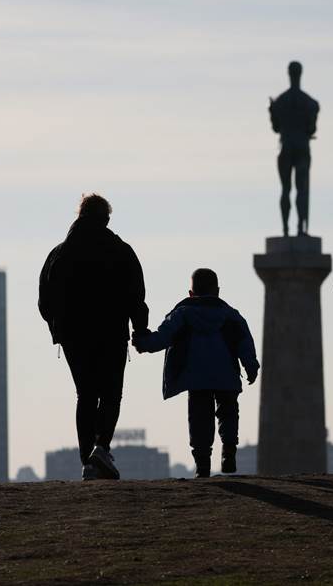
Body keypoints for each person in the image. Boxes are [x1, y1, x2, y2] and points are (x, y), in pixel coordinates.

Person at [38, 194, 149, 481]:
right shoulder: (120, 250)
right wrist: (140, 329)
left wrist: (57, 327)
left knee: (85, 395)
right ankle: (102, 447)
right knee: (111, 393)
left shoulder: (59, 254)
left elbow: (44, 300)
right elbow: (136, 295)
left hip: (74, 337)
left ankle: (87, 459)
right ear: (106, 218)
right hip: (111, 332)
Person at [132, 268, 259, 479]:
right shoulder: (231, 316)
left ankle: (202, 466)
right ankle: (229, 451)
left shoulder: (182, 315)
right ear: (217, 291)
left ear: (190, 293)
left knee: (200, 420)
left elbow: (162, 338)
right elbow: (245, 343)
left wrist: (143, 343)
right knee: (228, 413)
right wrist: (251, 367)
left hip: (195, 377)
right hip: (226, 376)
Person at [269, 60, 320, 236]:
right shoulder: (310, 103)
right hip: (302, 147)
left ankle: (286, 228)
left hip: (285, 146)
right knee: (301, 189)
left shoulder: (280, 102)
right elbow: (311, 128)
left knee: (285, 189)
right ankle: (300, 228)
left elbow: (275, 128)